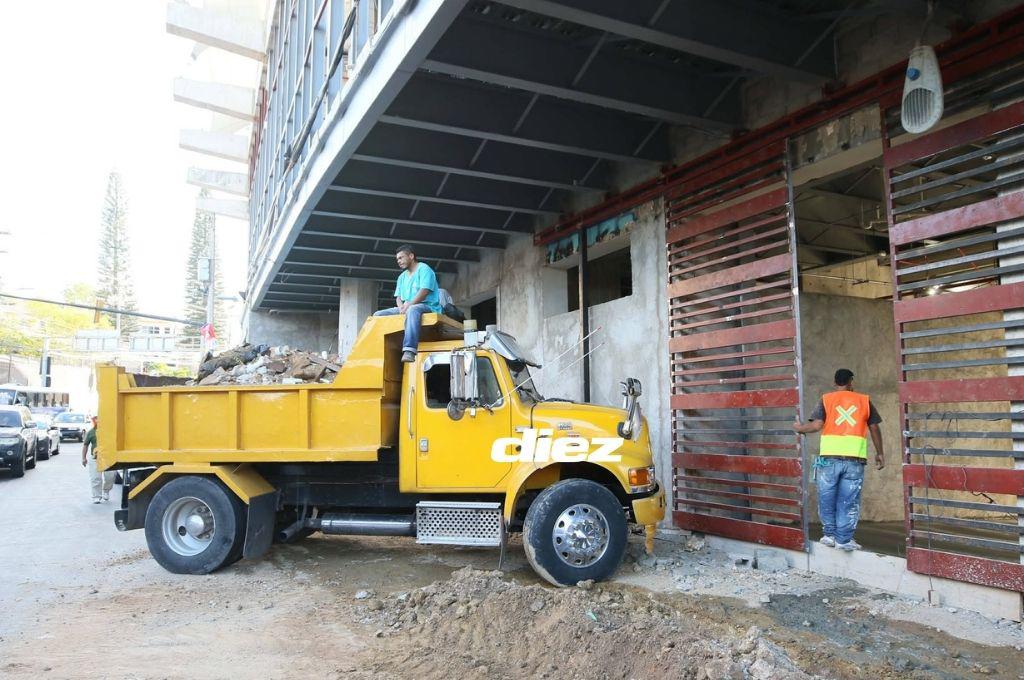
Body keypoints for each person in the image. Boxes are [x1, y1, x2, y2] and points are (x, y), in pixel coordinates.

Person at [793, 368, 884, 551]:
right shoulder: (863, 400)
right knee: (848, 500)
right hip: (854, 460)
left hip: (828, 459)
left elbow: (817, 425)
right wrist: (880, 453)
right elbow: (874, 428)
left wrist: (800, 428)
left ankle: (829, 535)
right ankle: (844, 539)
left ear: (834, 383)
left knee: (826, 496)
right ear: (851, 382)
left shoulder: (826, 399)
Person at [373, 244, 443, 362]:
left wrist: (409, 305)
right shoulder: (401, 277)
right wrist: (401, 307)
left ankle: (409, 350)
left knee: (413, 309)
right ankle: (378, 349)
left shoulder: (424, 269)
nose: (398, 261)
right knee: (377, 315)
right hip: (406, 307)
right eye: (397, 259)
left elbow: (424, 291)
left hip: (427, 306)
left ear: (411, 256)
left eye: (401, 258)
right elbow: (398, 297)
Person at [82, 416, 114, 503]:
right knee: (96, 478)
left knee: (110, 477)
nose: (97, 420)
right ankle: (96, 496)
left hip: (107, 458)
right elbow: (85, 445)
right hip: (95, 458)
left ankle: (106, 491)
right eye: (95, 419)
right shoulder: (91, 432)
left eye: (99, 418)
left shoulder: (109, 432)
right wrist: (83, 458)